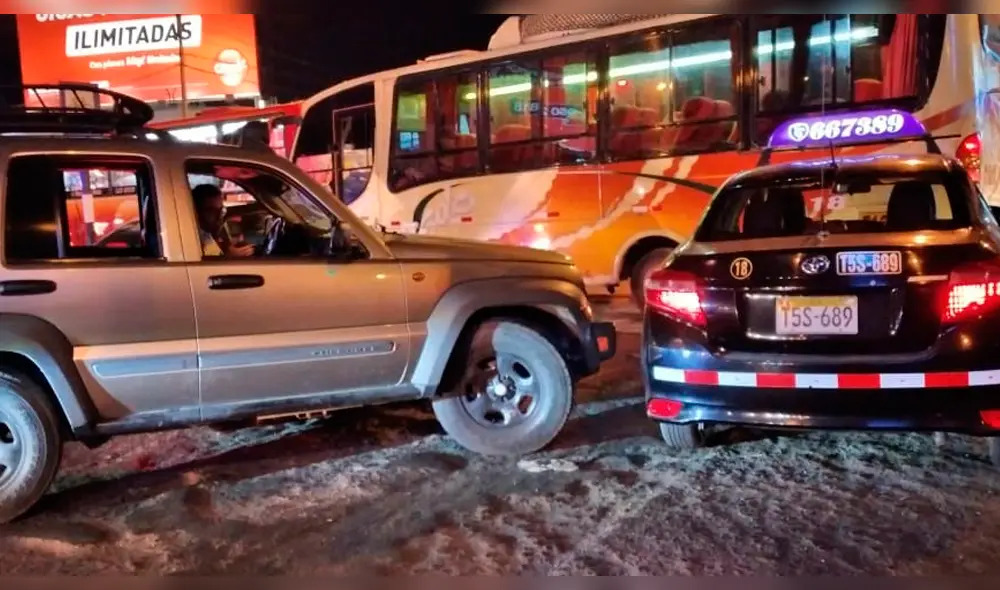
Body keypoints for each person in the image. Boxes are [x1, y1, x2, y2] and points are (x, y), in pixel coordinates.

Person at [191, 184, 254, 258]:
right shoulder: (191, 238)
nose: (219, 216)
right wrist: (228, 257)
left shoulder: (206, 233)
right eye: (212, 211)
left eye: (221, 210)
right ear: (197, 211)